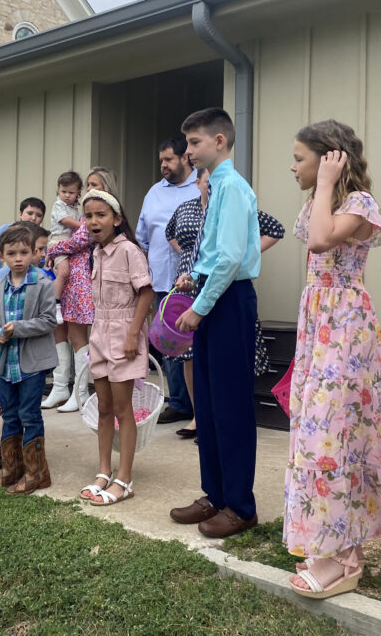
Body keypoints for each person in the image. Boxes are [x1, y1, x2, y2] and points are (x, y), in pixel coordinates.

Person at [284, 121, 381, 600]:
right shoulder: (318, 202)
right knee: (315, 432)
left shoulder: (359, 204)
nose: (293, 168)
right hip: (317, 322)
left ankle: (346, 556)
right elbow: (311, 236)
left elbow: (320, 241)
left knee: (337, 432)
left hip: (347, 327)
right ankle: (327, 540)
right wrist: (321, 191)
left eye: (300, 158)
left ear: (330, 158)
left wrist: (329, 184)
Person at [168, 108, 261, 539]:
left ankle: (240, 505)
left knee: (231, 406)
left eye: (194, 143)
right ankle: (216, 495)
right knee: (205, 402)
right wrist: (194, 277)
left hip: (227, 303)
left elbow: (230, 258)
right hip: (211, 292)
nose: (188, 152)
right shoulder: (215, 186)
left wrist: (200, 306)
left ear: (219, 141)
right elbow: (214, 255)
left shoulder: (234, 188)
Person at [165, 167, 285, 438]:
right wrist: (186, 258)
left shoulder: (230, 198)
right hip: (191, 278)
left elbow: (274, 230)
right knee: (190, 354)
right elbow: (169, 233)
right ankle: (200, 417)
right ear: (196, 183)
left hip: (220, 282)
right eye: (205, 182)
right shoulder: (186, 208)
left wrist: (248, 253)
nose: (209, 186)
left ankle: (225, 421)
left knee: (225, 355)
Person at [77, 189, 153, 506]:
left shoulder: (129, 251)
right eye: (89, 216)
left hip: (124, 334)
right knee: (104, 408)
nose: (94, 221)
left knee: (123, 410)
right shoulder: (95, 253)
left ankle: (125, 478)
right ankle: (104, 471)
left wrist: (134, 333)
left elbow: (146, 294)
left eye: (101, 215)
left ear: (117, 219)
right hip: (100, 333)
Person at [0, 224, 58, 494]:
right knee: (10, 415)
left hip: (31, 366)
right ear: (1, 256)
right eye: (11, 253)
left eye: (24, 252)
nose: (18, 258)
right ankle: (11, 469)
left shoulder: (42, 283)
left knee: (29, 414)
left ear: (34, 253)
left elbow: (50, 320)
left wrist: (18, 328)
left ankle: (37, 473)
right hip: (5, 365)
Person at [43, 167, 119, 412]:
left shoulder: (95, 217)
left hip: (79, 281)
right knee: (59, 330)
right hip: (65, 278)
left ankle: (81, 390)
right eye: (87, 185)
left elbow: (78, 241)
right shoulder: (81, 213)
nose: (89, 190)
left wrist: (52, 250)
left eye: (95, 184)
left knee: (77, 336)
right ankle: (60, 386)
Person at [135, 138, 199, 426]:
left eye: (169, 160)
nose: (163, 165)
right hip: (162, 280)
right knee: (170, 342)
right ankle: (178, 402)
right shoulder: (153, 193)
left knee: (193, 345)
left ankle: (199, 407)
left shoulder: (202, 185)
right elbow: (142, 237)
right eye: (161, 160)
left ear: (185, 158)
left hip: (196, 281)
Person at [0, 197, 46, 298]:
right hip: (1, 286)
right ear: (20, 214)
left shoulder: (40, 238)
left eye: (39, 215)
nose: (34, 218)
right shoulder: (4, 230)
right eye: (30, 213)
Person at [47, 171, 83, 303]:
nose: (67, 195)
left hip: (69, 243)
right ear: (58, 189)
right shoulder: (58, 205)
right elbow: (65, 220)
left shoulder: (74, 207)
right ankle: (55, 303)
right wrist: (83, 226)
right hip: (59, 241)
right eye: (64, 191)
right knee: (63, 272)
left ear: (78, 192)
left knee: (68, 273)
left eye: (71, 192)